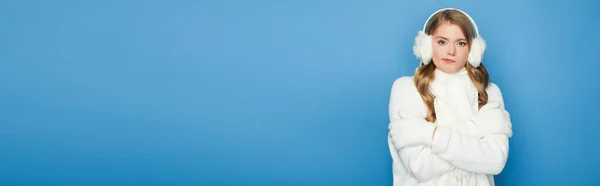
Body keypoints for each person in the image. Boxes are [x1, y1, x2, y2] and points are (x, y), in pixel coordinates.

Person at [387, 8, 513, 186]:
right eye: (442, 42)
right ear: (426, 46)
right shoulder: (406, 88)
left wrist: (429, 136)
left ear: (473, 49)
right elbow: (421, 167)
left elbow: (495, 161)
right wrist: (477, 128)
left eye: (461, 43)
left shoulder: (489, 91)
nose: (451, 51)